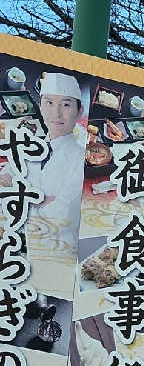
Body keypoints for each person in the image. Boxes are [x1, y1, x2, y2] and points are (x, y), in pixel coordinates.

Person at [0, 71, 85, 244]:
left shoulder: (80, 158)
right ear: (40, 106)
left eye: (66, 105)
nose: (56, 113)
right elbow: (5, 180)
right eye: (49, 103)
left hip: (55, 248)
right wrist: (41, 200)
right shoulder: (30, 145)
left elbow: (62, 214)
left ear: (79, 111)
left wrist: (20, 197)